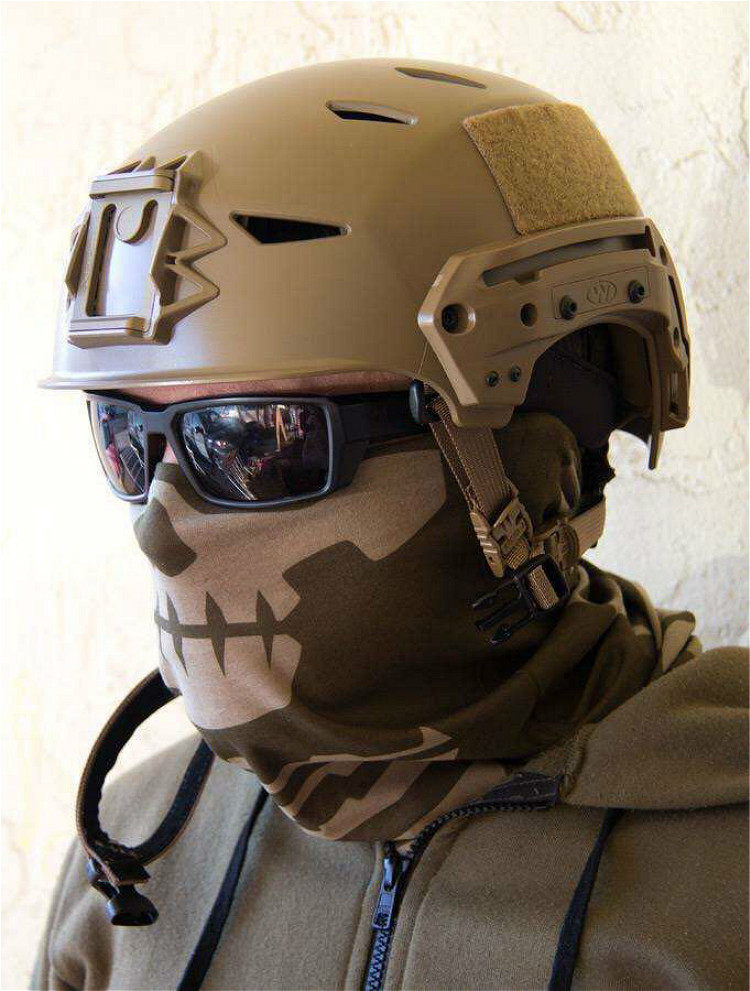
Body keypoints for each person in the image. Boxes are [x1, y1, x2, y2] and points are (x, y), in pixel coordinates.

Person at [34, 58, 748, 991]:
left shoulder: (724, 883)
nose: (160, 528)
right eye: (127, 436)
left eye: (257, 437)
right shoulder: (139, 850)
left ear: (530, 464)